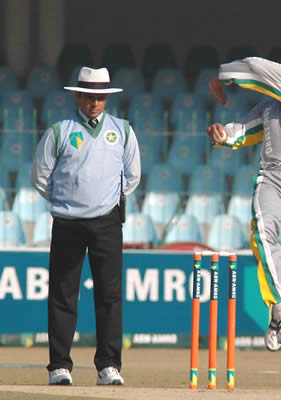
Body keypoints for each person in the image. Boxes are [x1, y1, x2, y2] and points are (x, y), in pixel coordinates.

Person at [207, 37, 281, 351]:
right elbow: (245, 129)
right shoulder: (272, 106)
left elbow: (256, 67)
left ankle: (280, 313)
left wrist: (222, 75)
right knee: (262, 233)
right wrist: (223, 135)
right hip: (271, 176)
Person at [31, 67, 141, 385]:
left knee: (109, 295)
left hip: (106, 222)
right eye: (88, 96)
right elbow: (40, 176)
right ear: (78, 95)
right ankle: (59, 366)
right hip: (67, 222)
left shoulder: (122, 130)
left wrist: (106, 202)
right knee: (64, 293)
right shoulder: (60, 131)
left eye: (99, 96)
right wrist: (67, 201)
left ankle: (108, 366)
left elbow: (132, 176)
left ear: (106, 98)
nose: (94, 102)